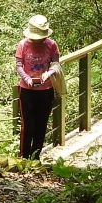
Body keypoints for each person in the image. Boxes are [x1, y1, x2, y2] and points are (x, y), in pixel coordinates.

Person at [15, 14, 61, 159]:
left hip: (46, 90)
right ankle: (23, 157)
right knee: (28, 126)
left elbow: (56, 64)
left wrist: (48, 73)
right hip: (27, 90)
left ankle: (35, 157)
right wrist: (27, 78)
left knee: (41, 125)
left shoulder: (51, 45)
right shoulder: (23, 44)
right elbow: (18, 65)